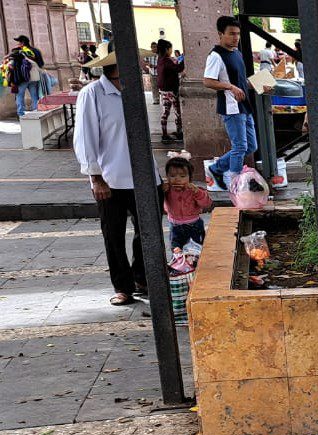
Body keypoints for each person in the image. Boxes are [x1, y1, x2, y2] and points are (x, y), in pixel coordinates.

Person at [73, 43, 162, 306]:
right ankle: (122, 286)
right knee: (113, 235)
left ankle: (142, 276)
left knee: (148, 230)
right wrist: (95, 176)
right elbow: (85, 138)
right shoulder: (93, 94)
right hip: (111, 177)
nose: (142, 65)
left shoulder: (134, 91)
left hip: (144, 175)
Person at [204, 16, 257, 191]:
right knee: (240, 146)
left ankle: (216, 168)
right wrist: (229, 87)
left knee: (251, 145)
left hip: (244, 105)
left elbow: (241, 81)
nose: (236, 38)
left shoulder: (237, 53)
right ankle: (235, 185)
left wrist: (258, 84)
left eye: (238, 34)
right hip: (231, 107)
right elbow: (208, 81)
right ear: (220, 34)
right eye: (231, 34)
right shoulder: (216, 56)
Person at [162, 155, 213, 256]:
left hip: (194, 225)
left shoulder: (194, 190)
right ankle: (180, 267)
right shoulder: (167, 190)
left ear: (189, 177)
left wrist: (197, 192)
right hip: (175, 225)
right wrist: (161, 191)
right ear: (167, 176)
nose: (177, 179)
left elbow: (207, 203)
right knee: (176, 250)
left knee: (197, 250)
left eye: (182, 176)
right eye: (172, 176)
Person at [154, 39, 184, 143]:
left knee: (165, 112)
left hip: (163, 91)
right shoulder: (166, 60)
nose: (171, 50)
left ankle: (165, 134)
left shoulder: (160, 60)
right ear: (167, 49)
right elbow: (178, 69)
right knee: (177, 112)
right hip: (171, 91)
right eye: (170, 48)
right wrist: (185, 59)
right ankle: (179, 133)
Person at [7, 35, 44, 117]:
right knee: (34, 96)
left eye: (19, 42)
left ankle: (21, 114)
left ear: (23, 43)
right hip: (34, 77)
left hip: (22, 78)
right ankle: (36, 113)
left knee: (20, 95)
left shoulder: (17, 51)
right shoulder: (36, 51)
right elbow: (41, 64)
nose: (18, 44)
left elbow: (11, 65)